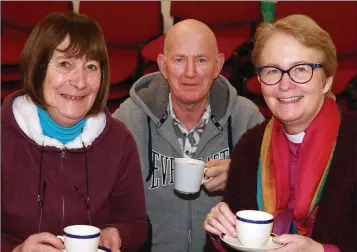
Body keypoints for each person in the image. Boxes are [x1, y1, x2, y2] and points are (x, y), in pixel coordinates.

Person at [204, 14, 357, 252]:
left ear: (326, 80)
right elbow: (233, 244)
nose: (285, 85)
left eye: (301, 69)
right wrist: (220, 234)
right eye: (272, 71)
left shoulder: (353, 141)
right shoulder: (250, 147)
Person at [113, 19, 265, 252]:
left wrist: (239, 176)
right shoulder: (130, 118)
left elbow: (274, 191)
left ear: (218, 65)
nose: (190, 73)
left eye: (201, 60)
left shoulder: (246, 118)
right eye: (179, 60)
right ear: (163, 66)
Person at [1, 12, 147, 252]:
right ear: (38, 69)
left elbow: (135, 223)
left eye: (91, 67)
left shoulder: (119, 141)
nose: (80, 82)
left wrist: (118, 234)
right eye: (65, 64)